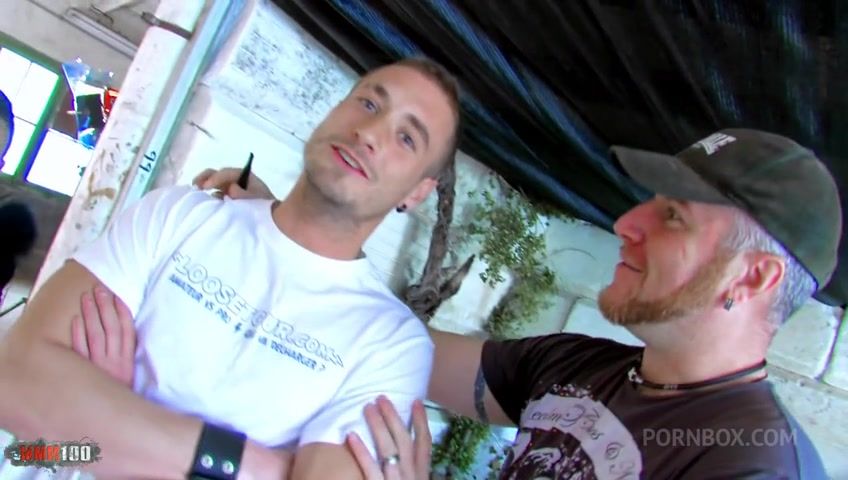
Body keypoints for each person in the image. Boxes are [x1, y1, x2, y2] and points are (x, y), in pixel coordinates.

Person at [194, 128, 839, 479]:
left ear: (752, 277)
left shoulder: (749, 465)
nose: (626, 223)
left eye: (672, 216)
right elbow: (374, 340)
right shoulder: (579, 368)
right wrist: (296, 239)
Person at [0, 56, 461, 480]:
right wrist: (259, 466)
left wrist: (101, 430)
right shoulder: (178, 214)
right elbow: (15, 389)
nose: (370, 132)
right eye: (368, 103)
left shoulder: (392, 344)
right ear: (334, 109)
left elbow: (55, 443)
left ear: (416, 192)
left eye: (407, 138)